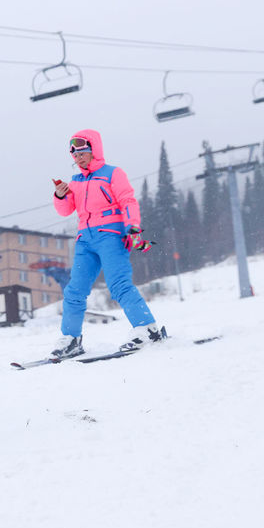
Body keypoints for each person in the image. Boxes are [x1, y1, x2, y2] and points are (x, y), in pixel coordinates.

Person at [51, 129, 165, 357]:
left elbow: (128, 200)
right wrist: (61, 195)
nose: (78, 158)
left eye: (82, 152)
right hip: (85, 240)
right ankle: (72, 340)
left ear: (94, 150)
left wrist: (133, 226)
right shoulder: (76, 182)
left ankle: (148, 329)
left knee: (118, 284)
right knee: (74, 291)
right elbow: (65, 211)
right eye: (75, 155)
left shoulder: (113, 173)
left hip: (111, 235)